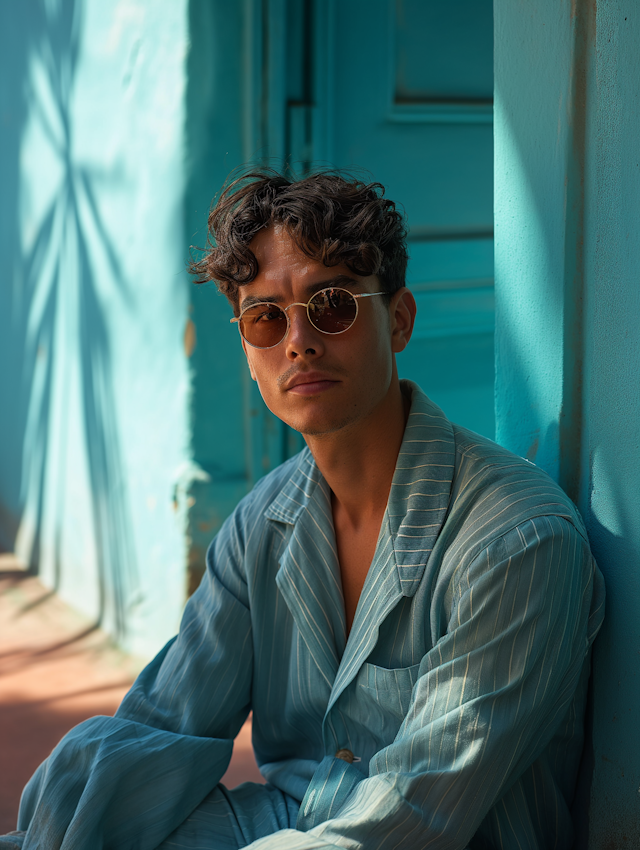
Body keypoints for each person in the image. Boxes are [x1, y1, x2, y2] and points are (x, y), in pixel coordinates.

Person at [2, 171, 605, 850]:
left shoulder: (516, 540)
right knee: (94, 777)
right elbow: (163, 725)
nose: (299, 341)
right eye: (266, 317)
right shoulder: (263, 522)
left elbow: (413, 815)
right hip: (285, 825)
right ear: (247, 346)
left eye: (333, 306)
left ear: (398, 319)